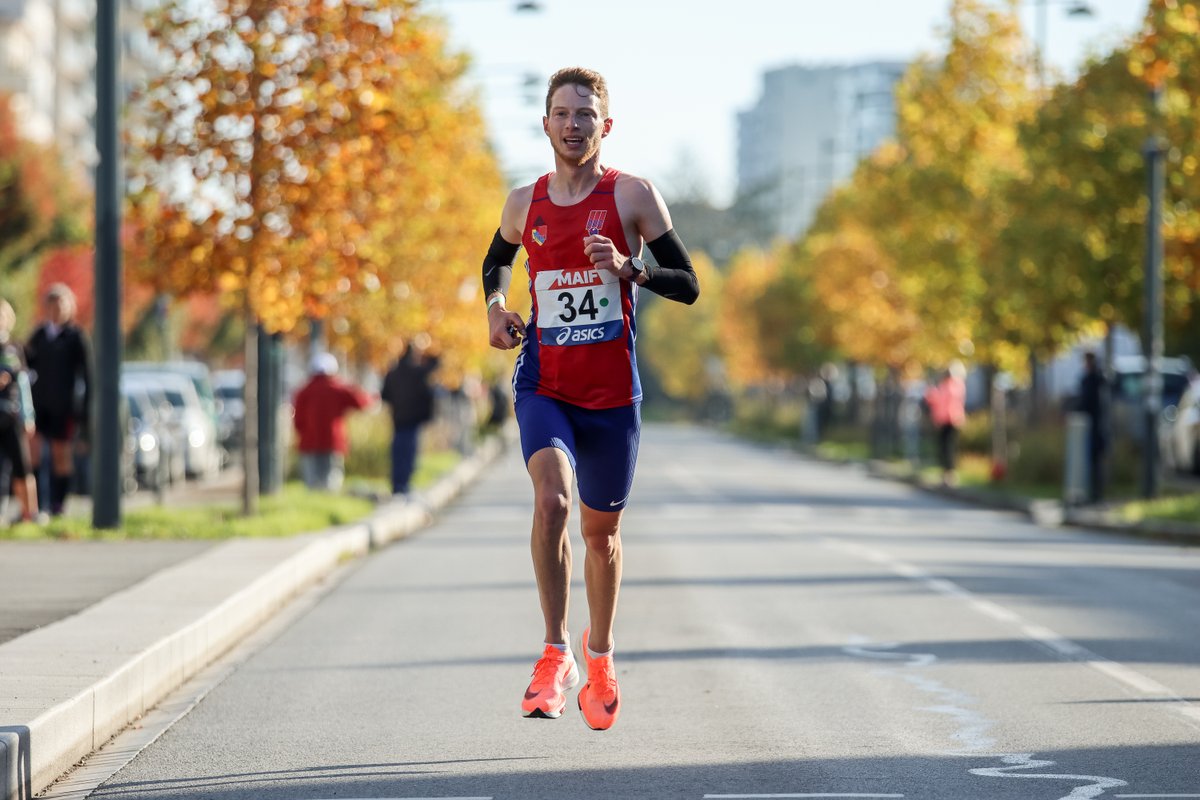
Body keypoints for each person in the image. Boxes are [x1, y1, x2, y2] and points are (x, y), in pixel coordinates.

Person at [483, 66, 699, 730]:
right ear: (544, 123)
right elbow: (495, 260)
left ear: (605, 125)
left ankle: (597, 653)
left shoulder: (632, 195)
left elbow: (687, 282)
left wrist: (632, 269)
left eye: (585, 114)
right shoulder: (525, 203)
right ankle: (554, 652)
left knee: (601, 534)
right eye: (561, 113)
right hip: (544, 381)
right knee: (551, 501)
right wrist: (495, 306)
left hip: (611, 398)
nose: (572, 125)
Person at [25, 284, 91, 516]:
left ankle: (58, 504)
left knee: (60, 456)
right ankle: (38, 504)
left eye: (60, 305)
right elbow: (25, 365)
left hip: (64, 406)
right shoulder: (40, 335)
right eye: (51, 305)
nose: (55, 310)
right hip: (40, 404)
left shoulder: (75, 337)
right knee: (33, 453)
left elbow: (87, 375)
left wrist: (84, 411)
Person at [291, 352, 371, 491]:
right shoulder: (338, 388)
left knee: (312, 483)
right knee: (331, 481)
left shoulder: (304, 391)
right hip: (333, 440)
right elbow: (362, 402)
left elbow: (298, 420)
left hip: (309, 441)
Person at [379, 342, 439, 498]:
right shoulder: (416, 372)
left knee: (398, 452)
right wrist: (431, 349)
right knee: (408, 452)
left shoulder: (393, 373)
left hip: (398, 418)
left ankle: (397, 484)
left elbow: (384, 395)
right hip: (411, 419)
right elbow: (435, 364)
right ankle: (403, 484)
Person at [0, 299, 39, 523]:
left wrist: (28, 416)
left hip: (12, 414)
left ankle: (29, 512)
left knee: (21, 465)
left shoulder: (15, 348)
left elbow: (23, 384)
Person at [924, 360, 967, 486]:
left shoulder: (956, 385)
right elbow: (936, 400)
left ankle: (950, 473)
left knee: (949, 447)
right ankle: (945, 473)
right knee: (942, 447)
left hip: (952, 420)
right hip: (942, 420)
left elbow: (953, 401)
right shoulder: (943, 386)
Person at [1078, 351, 1109, 503]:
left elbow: (1087, 403)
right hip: (1093, 426)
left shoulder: (1094, 380)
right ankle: (1094, 492)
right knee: (1093, 462)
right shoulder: (1094, 380)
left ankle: (1096, 494)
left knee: (1095, 461)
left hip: (1094, 427)